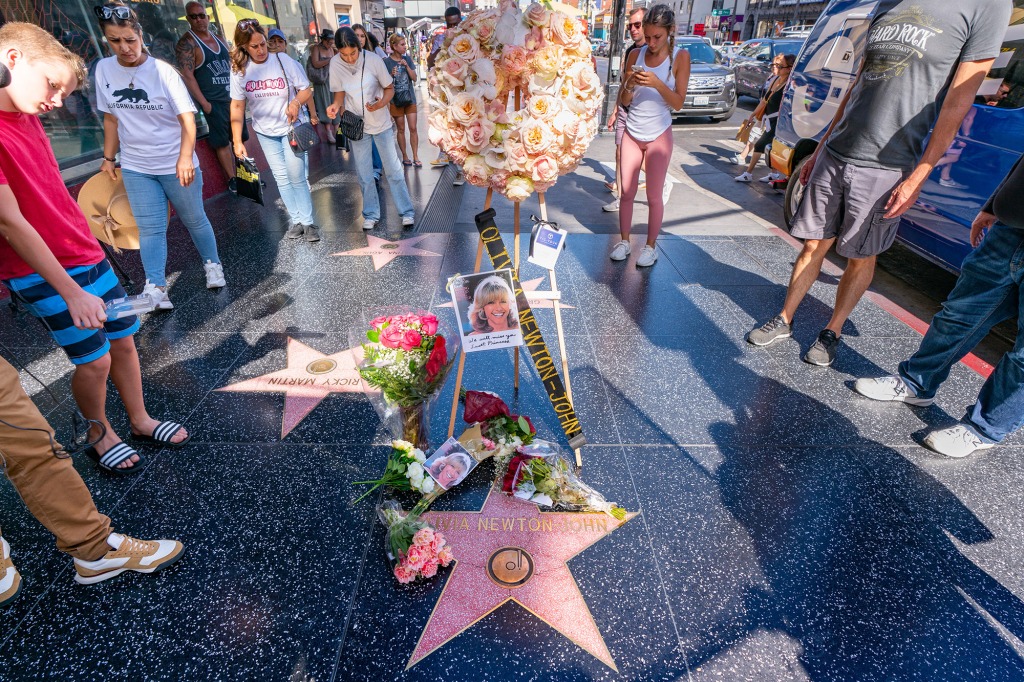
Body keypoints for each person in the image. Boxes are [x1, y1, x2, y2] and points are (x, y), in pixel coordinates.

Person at [0, 24, 184, 599]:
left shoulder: (28, 117)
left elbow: (50, 194)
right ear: (12, 59)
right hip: (39, 269)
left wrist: (91, 242)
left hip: (83, 253)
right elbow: (11, 221)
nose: (57, 102)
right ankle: (100, 434)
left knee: (125, 340)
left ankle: (140, 420)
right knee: (95, 358)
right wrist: (71, 289)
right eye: (52, 85)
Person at [746, 0, 1011, 367]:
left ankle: (832, 331)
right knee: (812, 245)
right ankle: (785, 319)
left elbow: (958, 101)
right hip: (838, 151)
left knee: (860, 255)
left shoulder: (987, 6)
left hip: (889, 163)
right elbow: (858, 83)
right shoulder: (888, 3)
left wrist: (919, 174)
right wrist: (822, 146)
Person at [853, 150, 1024, 459]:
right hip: (1011, 227)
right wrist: (995, 202)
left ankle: (984, 428)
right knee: (958, 315)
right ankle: (916, 382)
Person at [94, 2, 225, 308]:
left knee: (195, 219)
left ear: (141, 35)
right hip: (138, 165)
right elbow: (111, 118)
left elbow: (187, 120)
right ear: (106, 41)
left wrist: (184, 157)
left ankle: (212, 264)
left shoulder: (163, 72)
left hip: (175, 163)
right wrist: (108, 158)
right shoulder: (104, 69)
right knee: (150, 229)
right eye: (115, 41)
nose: (124, 48)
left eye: (130, 39)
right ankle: (155, 287)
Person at [610, 4, 688, 268]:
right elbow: (624, 100)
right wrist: (630, 84)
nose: (652, 43)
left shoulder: (680, 57)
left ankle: (650, 246)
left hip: (659, 134)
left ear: (670, 32)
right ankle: (623, 241)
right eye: (649, 36)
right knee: (627, 193)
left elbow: (678, 103)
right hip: (633, 130)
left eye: (658, 37)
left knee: (654, 196)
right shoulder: (635, 55)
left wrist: (657, 83)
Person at [229, 19, 320, 242]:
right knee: (281, 177)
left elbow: (306, 89)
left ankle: (309, 223)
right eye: (254, 46)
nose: (261, 50)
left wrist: (296, 103)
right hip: (265, 131)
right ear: (243, 47)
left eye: (262, 44)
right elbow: (237, 106)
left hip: (290, 128)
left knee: (296, 175)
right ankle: (296, 220)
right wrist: (237, 141)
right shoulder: (240, 70)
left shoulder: (282, 60)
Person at [327, 27, 415, 231]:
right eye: (344, 54)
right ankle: (371, 213)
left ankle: (406, 211)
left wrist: (381, 103)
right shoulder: (335, 64)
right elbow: (339, 94)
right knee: (364, 173)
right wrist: (334, 105)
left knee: (393, 169)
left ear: (360, 47)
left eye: (353, 53)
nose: (349, 59)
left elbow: (389, 88)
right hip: (356, 125)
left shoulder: (374, 60)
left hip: (380, 122)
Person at [175, 1, 243, 192]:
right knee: (222, 142)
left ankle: (246, 176)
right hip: (213, 101)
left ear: (208, 16)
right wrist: (204, 103)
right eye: (194, 16)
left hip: (232, 98)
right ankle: (233, 180)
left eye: (201, 15)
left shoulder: (219, 38)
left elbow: (233, 65)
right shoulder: (187, 43)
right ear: (188, 19)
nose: (199, 19)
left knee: (238, 138)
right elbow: (187, 76)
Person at [603, 5, 645, 213]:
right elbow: (623, 82)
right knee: (619, 153)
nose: (633, 29)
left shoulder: (654, 51)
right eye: (630, 26)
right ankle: (620, 196)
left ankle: (660, 181)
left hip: (643, 114)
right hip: (625, 110)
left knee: (639, 157)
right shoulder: (630, 51)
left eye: (638, 25)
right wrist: (614, 110)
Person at [735, 54, 795, 184]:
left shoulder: (790, 85)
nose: (776, 68)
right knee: (770, 147)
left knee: (760, 145)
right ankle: (774, 174)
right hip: (768, 119)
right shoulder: (775, 80)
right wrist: (753, 114)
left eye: (780, 66)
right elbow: (764, 101)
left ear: (789, 68)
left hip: (778, 122)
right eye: (774, 65)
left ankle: (748, 173)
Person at [427, 7, 463, 179]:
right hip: (444, 88)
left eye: (455, 23)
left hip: (462, 88)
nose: (453, 27)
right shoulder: (441, 37)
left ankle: (462, 168)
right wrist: (441, 46)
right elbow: (430, 61)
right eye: (450, 24)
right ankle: (444, 154)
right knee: (442, 122)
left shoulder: (467, 37)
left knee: (462, 125)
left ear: (460, 20)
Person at [351, 23, 384, 181]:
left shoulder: (373, 57)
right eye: (356, 35)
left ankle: (376, 170)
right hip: (355, 109)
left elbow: (384, 82)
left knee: (375, 141)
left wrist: (382, 99)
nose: (359, 39)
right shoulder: (344, 61)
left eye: (362, 35)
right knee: (361, 142)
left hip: (373, 105)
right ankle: (367, 173)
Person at [385, 33, 420, 167]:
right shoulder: (387, 62)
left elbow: (415, 78)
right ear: (394, 46)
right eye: (402, 44)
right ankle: (405, 155)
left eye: (405, 44)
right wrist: (390, 74)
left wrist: (407, 66)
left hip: (410, 98)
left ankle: (416, 156)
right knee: (400, 129)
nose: (405, 47)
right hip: (396, 101)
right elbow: (385, 83)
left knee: (413, 128)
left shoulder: (408, 59)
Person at [307, 28, 337, 143]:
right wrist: (330, 60)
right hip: (322, 81)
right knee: (325, 104)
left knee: (335, 104)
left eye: (332, 41)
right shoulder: (316, 48)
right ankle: (329, 133)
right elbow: (315, 63)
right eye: (328, 41)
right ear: (323, 40)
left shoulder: (332, 50)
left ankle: (337, 132)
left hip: (332, 79)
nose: (330, 43)